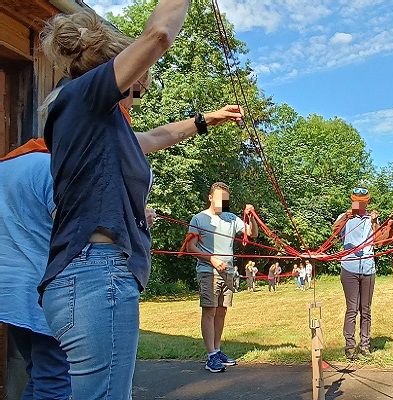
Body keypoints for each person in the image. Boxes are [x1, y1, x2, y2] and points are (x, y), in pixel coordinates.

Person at [38, 6, 244, 398]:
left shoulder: (94, 124)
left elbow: (155, 138)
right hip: (98, 275)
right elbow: (158, 36)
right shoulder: (85, 97)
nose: (140, 93)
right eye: (137, 85)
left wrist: (204, 121)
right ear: (118, 73)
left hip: (84, 278)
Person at [0, 139, 71, 399]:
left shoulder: (8, 165)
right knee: (55, 382)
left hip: (10, 294)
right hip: (45, 293)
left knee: (42, 376)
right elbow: (73, 232)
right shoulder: (54, 168)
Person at [185, 182, 258, 373]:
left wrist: (251, 216)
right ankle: (211, 356)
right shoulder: (199, 219)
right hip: (208, 271)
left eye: (225, 199)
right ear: (210, 197)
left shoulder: (231, 218)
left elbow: (252, 233)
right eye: (218, 198)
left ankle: (217, 350)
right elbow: (190, 247)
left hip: (228, 273)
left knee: (222, 311)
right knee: (209, 311)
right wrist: (212, 260)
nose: (221, 202)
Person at [332, 187, 393, 360]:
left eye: (363, 201)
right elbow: (335, 233)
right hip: (349, 269)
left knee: (365, 310)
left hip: (368, 268)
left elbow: (380, 242)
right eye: (356, 200)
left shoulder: (371, 219)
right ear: (352, 201)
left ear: (367, 202)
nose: (359, 204)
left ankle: (365, 345)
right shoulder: (345, 217)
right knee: (352, 309)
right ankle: (350, 346)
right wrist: (346, 216)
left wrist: (379, 224)